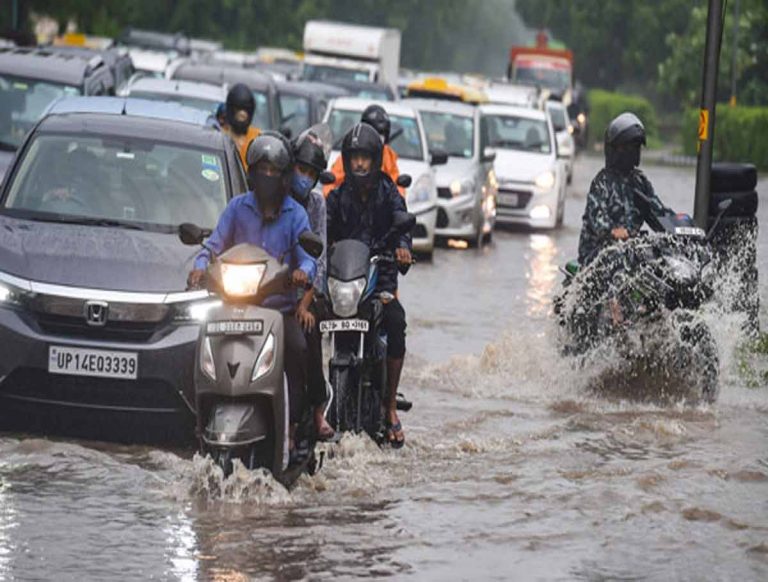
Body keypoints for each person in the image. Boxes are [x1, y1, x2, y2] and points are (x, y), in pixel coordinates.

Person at [187, 132, 316, 449]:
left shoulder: (295, 215)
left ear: (284, 177)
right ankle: (195, 421)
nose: (268, 177)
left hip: (277, 310)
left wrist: (302, 272)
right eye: (262, 170)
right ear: (252, 173)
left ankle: (293, 426)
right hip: (232, 307)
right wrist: (200, 266)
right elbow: (213, 245)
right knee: (195, 346)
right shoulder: (236, 208)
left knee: (298, 350)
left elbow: (309, 256)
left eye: (274, 171)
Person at [326, 122, 412, 448]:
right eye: (355, 158)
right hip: (344, 285)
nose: (360, 164)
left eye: (366, 158)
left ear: (376, 160)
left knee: (396, 322)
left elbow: (401, 224)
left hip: (379, 283)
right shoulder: (337, 197)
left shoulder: (388, 193)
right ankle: (312, 411)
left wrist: (403, 248)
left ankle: (389, 407)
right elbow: (322, 232)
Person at [577, 112, 671, 266]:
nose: (632, 151)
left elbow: (658, 212)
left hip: (632, 252)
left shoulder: (640, 183)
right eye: (626, 147)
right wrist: (615, 231)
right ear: (614, 149)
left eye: (636, 147)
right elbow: (598, 220)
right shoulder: (602, 183)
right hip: (599, 256)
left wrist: (680, 228)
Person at [289, 127, 335, 440]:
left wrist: (305, 300)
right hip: (268, 287)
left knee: (309, 333)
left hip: (307, 292)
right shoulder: (271, 198)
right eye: (300, 169)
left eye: (310, 173)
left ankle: (317, 407)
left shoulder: (317, 206)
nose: (304, 177)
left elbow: (318, 259)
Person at [323, 105, 404, 197]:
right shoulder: (350, 155)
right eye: (375, 133)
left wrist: (396, 203)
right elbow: (331, 185)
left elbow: (397, 186)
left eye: (382, 134)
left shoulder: (388, 155)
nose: (360, 162)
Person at [223, 83, 261, 170]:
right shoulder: (219, 136)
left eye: (245, 111)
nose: (242, 115)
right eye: (238, 110)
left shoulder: (258, 139)